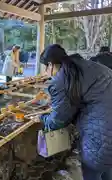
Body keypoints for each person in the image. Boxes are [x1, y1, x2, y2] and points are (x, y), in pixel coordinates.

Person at [39, 44, 112, 180]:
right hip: (106, 121)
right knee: (107, 166)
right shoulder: (83, 65)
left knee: (93, 169)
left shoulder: (62, 78)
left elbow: (58, 120)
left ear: (50, 64)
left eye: (45, 67)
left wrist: (42, 118)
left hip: (102, 131)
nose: (45, 72)